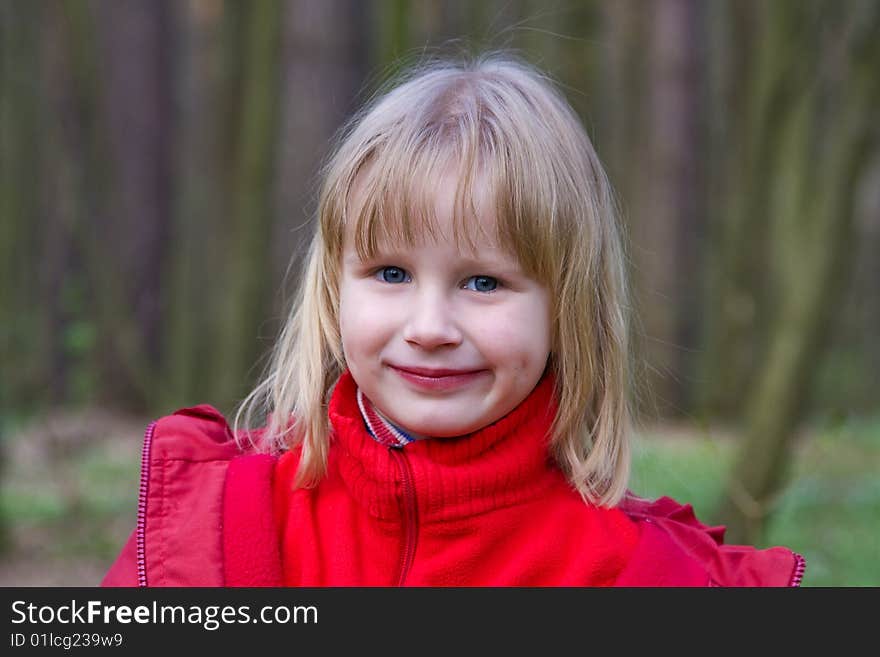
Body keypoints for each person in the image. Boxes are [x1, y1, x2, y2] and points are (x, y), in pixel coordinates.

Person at [102, 52, 805, 587]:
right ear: (333, 291)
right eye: (391, 274)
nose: (430, 326)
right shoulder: (219, 529)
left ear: (567, 307)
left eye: (482, 281)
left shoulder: (640, 573)